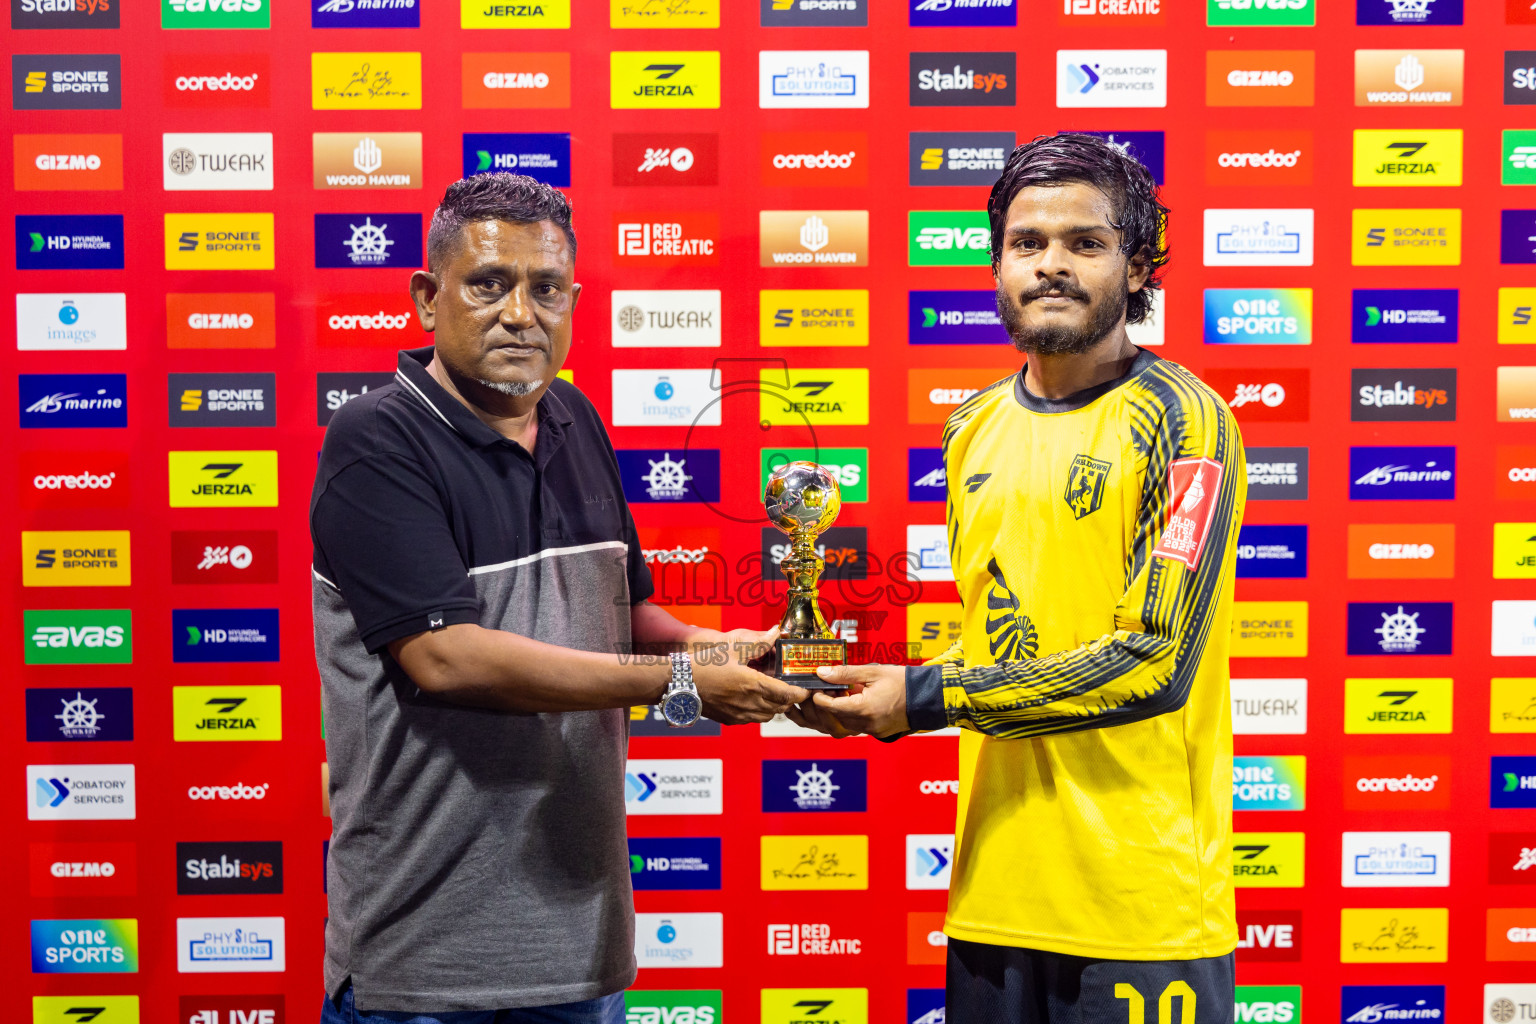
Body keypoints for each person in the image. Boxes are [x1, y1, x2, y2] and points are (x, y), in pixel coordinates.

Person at [310, 172, 808, 1022]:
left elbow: (629, 617)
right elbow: (446, 658)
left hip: (584, 950)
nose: (520, 313)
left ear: (574, 302)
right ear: (429, 298)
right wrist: (682, 686)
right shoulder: (376, 438)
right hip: (427, 960)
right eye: (488, 285)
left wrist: (721, 649)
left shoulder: (577, 419)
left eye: (545, 289)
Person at [792, 134, 1247, 1023]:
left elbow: (1153, 661)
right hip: (993, 891)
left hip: (1139, 909)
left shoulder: (1188, 424)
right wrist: (857, 691)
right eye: (1026, 243)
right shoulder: (971, 427)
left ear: (1140, 264)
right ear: (997, 262)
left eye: (1086, 242)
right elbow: (999, 630)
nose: (1051, 266)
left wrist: (922, 698)